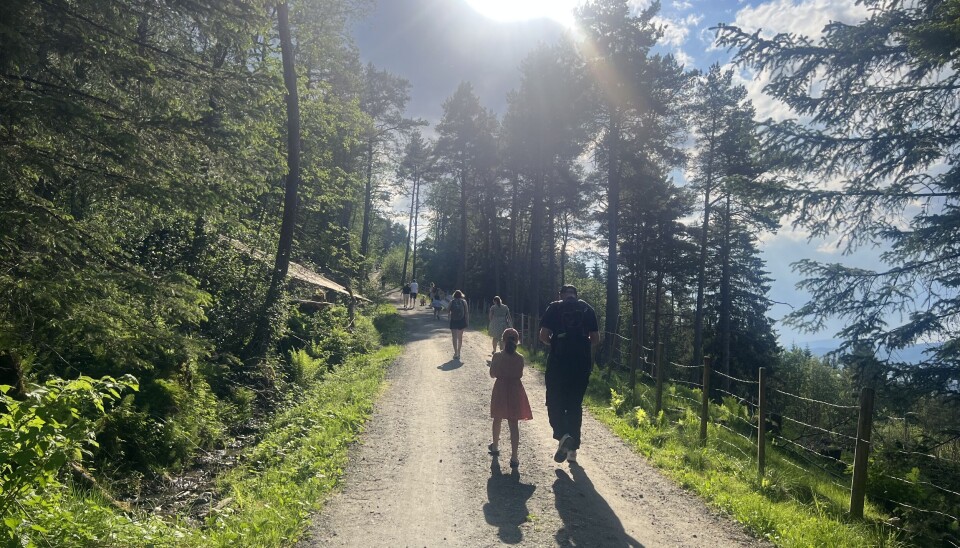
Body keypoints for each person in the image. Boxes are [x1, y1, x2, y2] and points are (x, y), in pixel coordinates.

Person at [539, 285, 599, 464]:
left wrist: (556, 344)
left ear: (561, 295)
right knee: (574, 405)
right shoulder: (588, 309)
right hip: (581, 364)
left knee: (554, 401)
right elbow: (595, 339)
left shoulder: (554, 307)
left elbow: (543, 335)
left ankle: (563, 435)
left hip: (558, 363)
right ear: (575, 295)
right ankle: (572, 451)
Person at [488, 328, 532, 469]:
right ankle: (514, 457)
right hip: (514, 391)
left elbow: (492, 374)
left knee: (497, 418)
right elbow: (519, 374)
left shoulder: (497, 356)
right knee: (513, 424)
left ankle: (495, 446)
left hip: (500, 389)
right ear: (517, 341)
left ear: (503, 339)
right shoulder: (520, 358)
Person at [448, 290, 468, 360]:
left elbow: (448, 311)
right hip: (462, 320)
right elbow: (466, 312)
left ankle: (455, 352)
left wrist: (449, 318)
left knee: (454, 338)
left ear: (454, 295)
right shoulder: (464, 302)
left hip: (453, 321)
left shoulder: (451, 302)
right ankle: (459, 352)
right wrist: (467, 321)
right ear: (461, 295)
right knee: (460, 337)